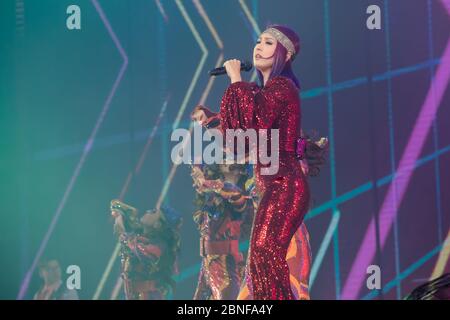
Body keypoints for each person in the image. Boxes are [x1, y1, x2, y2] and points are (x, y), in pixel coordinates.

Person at [218, 24, 328, 299]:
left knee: (266, 254)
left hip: (286, 185)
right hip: (271, 187)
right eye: (258, 41)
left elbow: (254, 121)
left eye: (268, 43)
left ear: (285, 54)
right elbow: (238, 139)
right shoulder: (260, 92)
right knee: (260, 259)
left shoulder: (282, 87)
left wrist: (235, 79)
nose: (258, 46)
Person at [110, 200, 182, 300]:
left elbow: (142, 252)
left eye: (153, 212)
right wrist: (122, 216)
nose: (148, 211)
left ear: (158, 224)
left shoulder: (160, 246)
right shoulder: (141, 238)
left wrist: (127, 238)